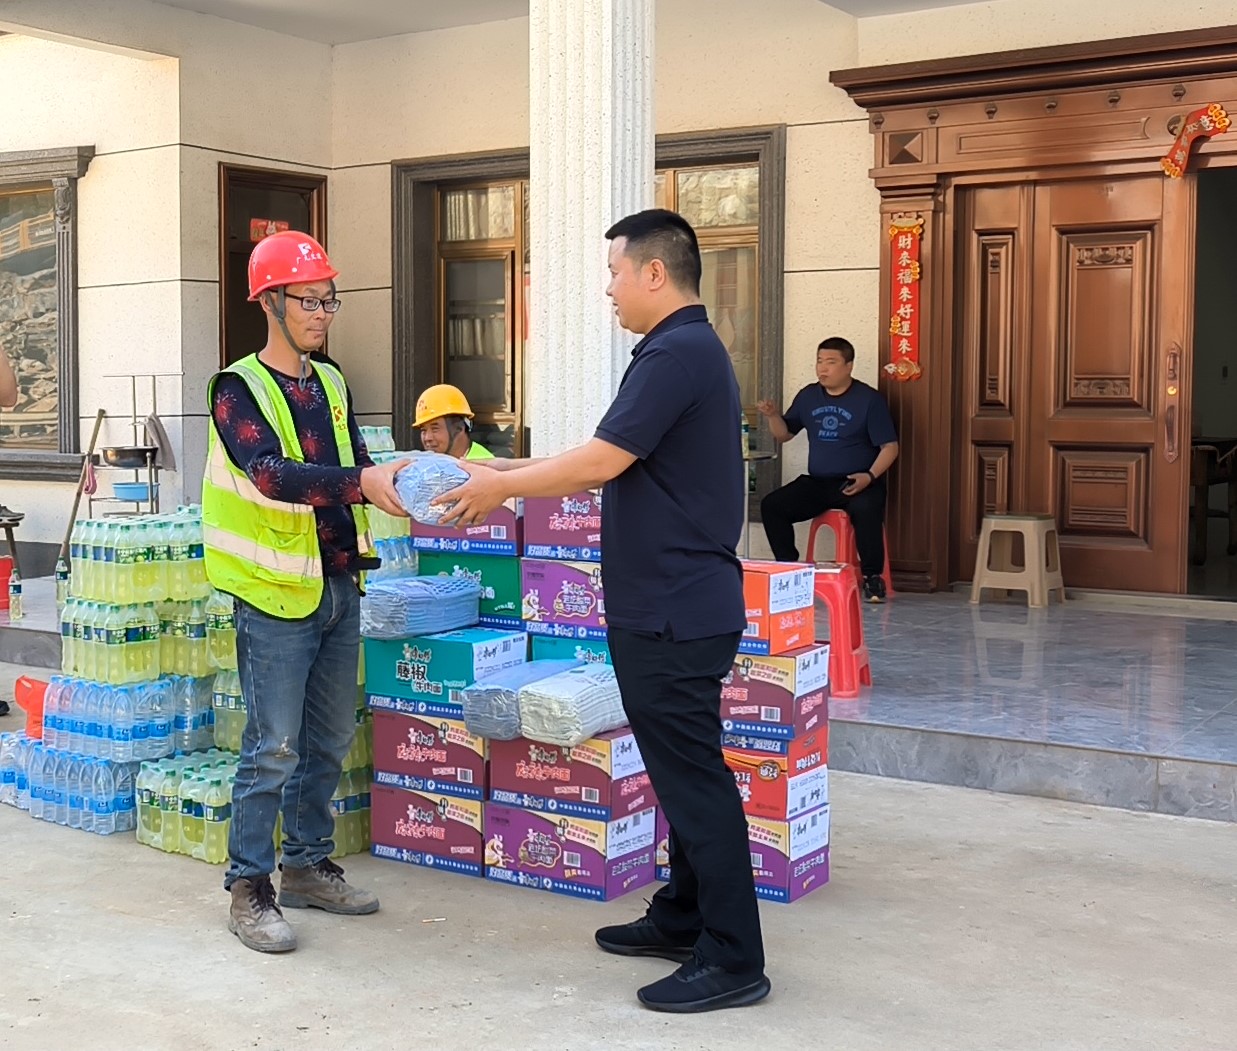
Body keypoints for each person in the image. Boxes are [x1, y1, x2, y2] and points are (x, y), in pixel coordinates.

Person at [435, 209, 769, 1014]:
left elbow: (597, 461)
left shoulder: (676, 353)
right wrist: (498, 470)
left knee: (694, 782)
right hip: (670, 605)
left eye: (615, 272)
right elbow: (600, 455)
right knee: (680, 774)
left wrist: (499, 486)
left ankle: (733, 955)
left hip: (673, 610)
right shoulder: (677, 350)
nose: (608, 288)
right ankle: (684, 914)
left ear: (654, 272)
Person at [202, 230, 408, 954]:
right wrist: (362, 482)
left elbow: (356, 459)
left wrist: (403, 479)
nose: (322, 313)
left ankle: (307, 865)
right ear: (269, 302)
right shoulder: (237, 389)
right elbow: (271, 474)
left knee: (328, 739)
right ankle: (248, 886)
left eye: (329, 300)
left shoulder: (332, 381)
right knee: (273, 748)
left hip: (339, 579)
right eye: (309, 301)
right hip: (273, 595)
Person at [758, 337, 899, 602]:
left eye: (831, 362)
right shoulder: (809, 396)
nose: (822, 368)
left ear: (849, 366)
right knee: (772, 506)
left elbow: (890, 447)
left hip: (857, 480)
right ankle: (789, 571)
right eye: (819, 361)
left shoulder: (869, 400)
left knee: (867, 509)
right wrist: (772, 416)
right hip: (819, 483)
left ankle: (872, 578)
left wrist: (869, 476)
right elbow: (784, 435)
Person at [414, 383, 494, 460]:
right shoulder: (431, 462)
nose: (427, 438)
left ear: (459, 428)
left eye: (435, 429)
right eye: (423, 430)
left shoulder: (483, 464)